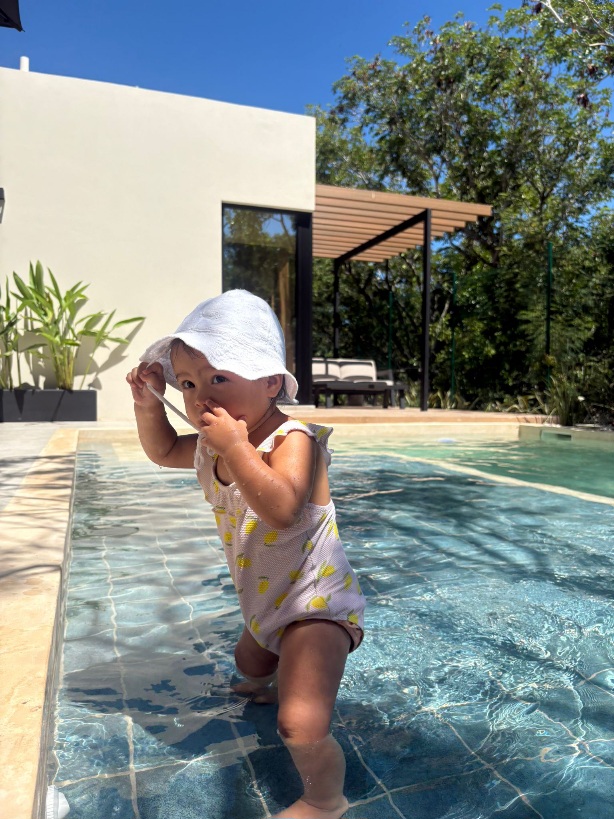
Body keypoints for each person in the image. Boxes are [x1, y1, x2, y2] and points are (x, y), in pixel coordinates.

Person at [126, 289, 366, 819]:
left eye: (218, 378)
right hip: (266, 600)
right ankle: (280, 678)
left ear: (271, 381)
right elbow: (163, 450)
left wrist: (237, 448)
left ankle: (325, 800)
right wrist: (148, 405)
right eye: (188, 383)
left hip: (316, 603)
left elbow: (282, 508)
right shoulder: (210, 446)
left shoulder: (293, 440)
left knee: (299, 724)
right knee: (249, 664)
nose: (199, 397)